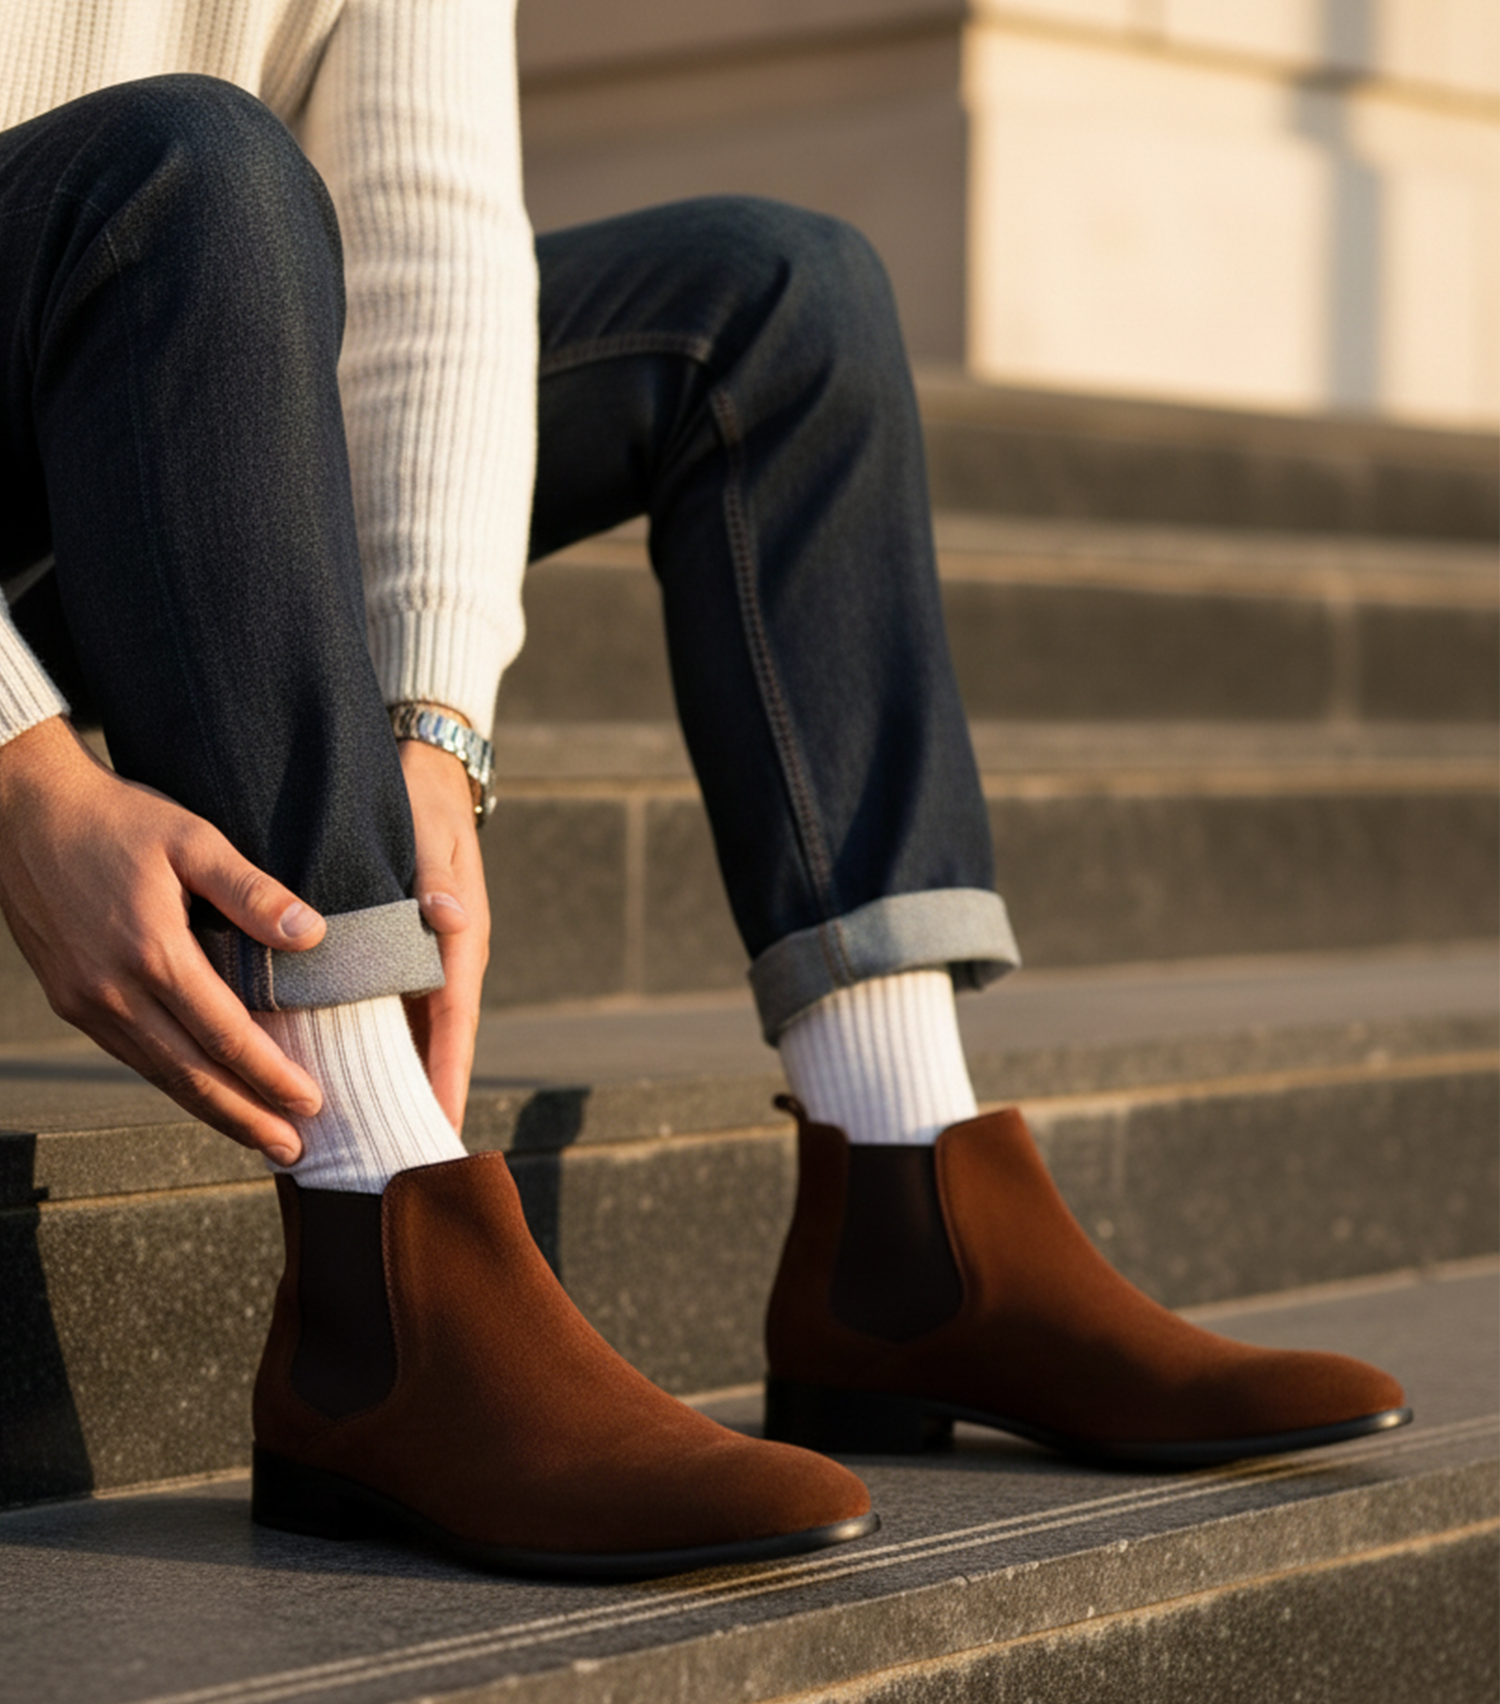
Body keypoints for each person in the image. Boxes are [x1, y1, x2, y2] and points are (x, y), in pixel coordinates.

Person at [0, 1, 1408, 1580]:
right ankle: (372, 1252)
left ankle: (910, 1213)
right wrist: (16, 762)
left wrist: (434, 723)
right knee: (192, 172)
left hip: (182, 404)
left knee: (780, 296)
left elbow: (431, 247)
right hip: (88, 315)